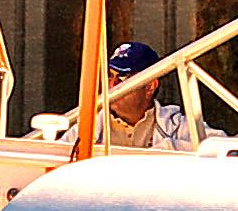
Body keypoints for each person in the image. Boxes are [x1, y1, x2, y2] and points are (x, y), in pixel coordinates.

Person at [50, 39, 198, 150]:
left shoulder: (175, 126)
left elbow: (219, 148)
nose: (112, 85)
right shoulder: (88, 127)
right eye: (109, 75)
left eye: (122, 78)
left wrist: (169, 149)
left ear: (149, 87)